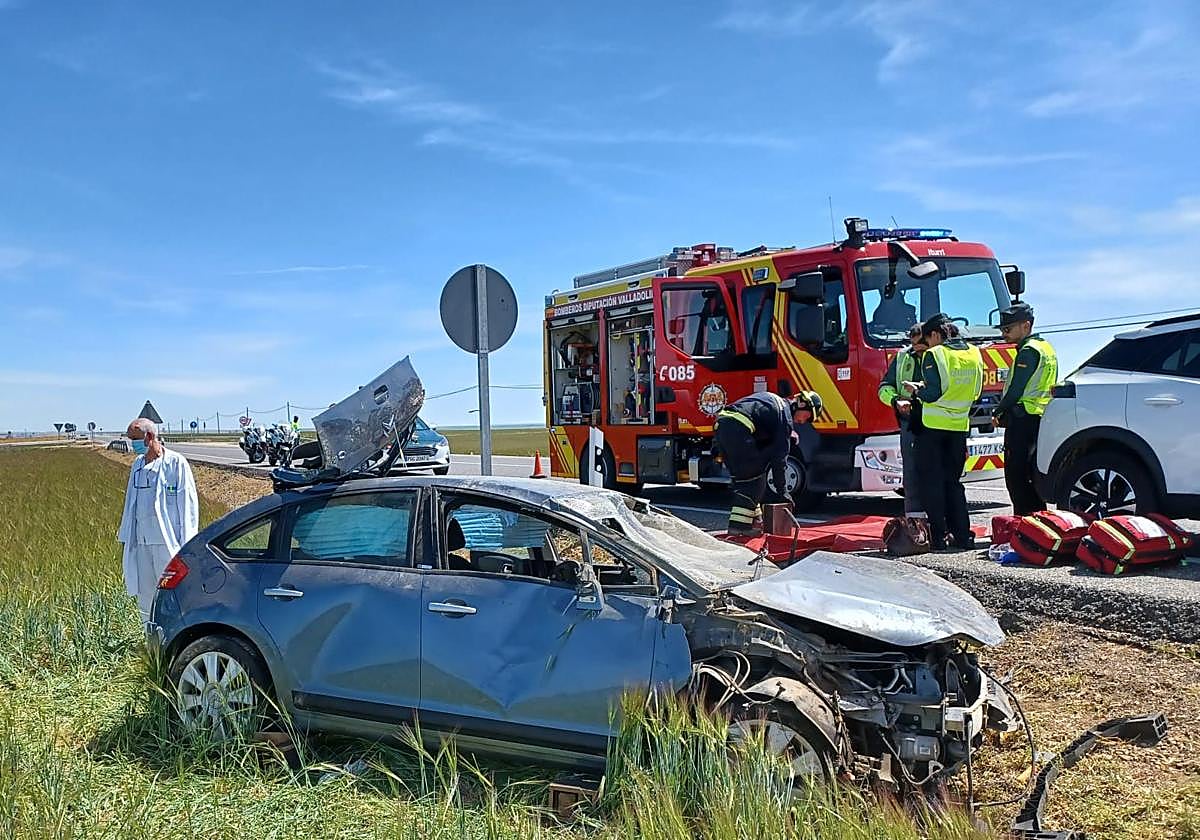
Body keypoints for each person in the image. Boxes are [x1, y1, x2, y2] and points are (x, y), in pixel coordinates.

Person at [904, 315, 983, 550]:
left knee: (932, 484)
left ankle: (938, 537)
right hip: (959, 428)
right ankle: (962, 535)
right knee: (954, 484)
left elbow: (933, 393)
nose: (928, 345)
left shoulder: (935, 354)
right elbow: (976, 391)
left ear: (935, 335)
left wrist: (916, 391)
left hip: (932, 428)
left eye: (928, 340)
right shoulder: (974, 354)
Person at [116, 418, 199, 621]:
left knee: (173, 596)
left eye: (135, 439)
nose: (132, 444)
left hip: (167, 544)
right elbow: (130, 504)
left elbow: (188, 506)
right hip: (142, 544)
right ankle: (151, 641)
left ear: (150, 436)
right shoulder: (137, 465)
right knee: (146, 598)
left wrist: (187, 547)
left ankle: (176, 641)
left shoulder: (175, 463)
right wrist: (127, 536)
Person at [716, 389, 823, 535]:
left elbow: (763, 440)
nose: (804, 422)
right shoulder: (785, 417)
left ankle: (755, 522)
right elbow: (780, 459)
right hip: (739, 429)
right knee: (753, 482)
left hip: (723, 425)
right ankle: (739, 528)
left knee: (746, 481)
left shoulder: (776, 403)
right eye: (808, 417)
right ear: (802, 404)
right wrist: (783, 491)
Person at [993, 302, 1058, 515]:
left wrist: (998, 411)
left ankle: (1024, 521)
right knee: (1034, 474)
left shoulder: (1028, 352)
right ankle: (1039, 521)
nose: (1004, 334)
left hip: (1023, 419)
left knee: (1017, 476)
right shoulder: (1046, 347)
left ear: (1026, 326)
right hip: (1041, 417)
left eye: (1008, 329)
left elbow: (1016, 389)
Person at [878, 323, 928, 519]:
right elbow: (884, 387)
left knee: (936, 474)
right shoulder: (902, 357)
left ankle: (939, 524)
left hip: (934, 422)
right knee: (912, 474)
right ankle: (914, 522)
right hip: (910, 423)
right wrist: (895, 400)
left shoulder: (938, 356)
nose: (916, 350)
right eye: (913, 346)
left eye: (920, 347)